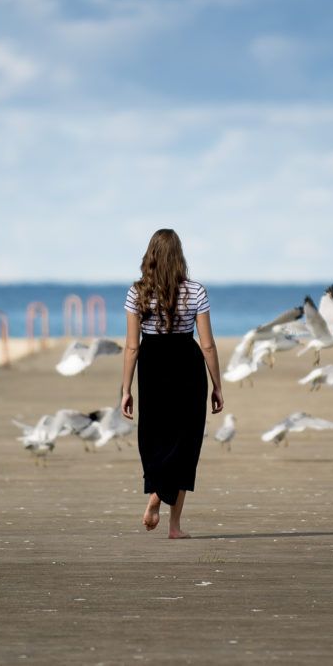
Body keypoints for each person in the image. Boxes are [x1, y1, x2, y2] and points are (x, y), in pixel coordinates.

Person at [119, 228, 224, 539]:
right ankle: (174, 525)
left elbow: (131, 346)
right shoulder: (196, 291)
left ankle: (156, 492)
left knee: (154, 437)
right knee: (186, 442)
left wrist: (125, 389)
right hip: (187, 365)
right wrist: (217, 385)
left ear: (150, 256)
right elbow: (207, 344)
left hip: (152, 365)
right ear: (180, 257)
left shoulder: (137, 292)